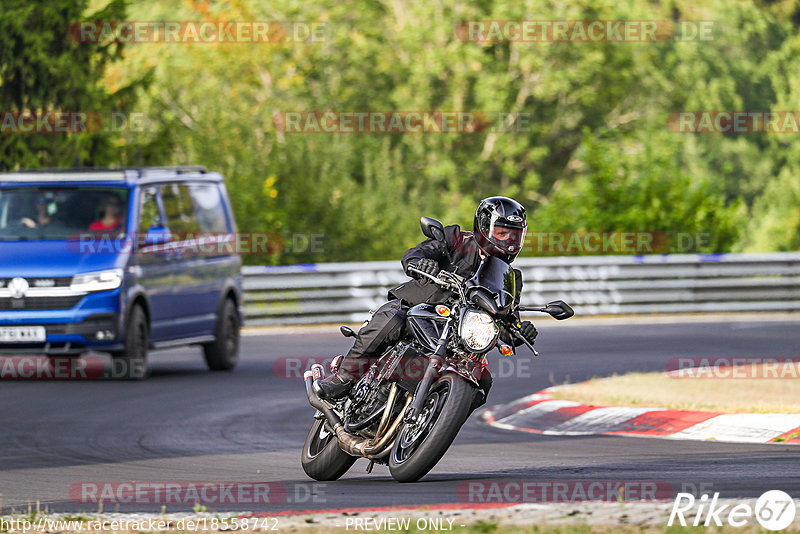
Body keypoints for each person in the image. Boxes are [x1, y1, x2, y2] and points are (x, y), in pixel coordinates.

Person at [314, 196, 539, 401]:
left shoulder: (510, 278)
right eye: (502, 232)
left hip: (458, 335)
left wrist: (520, 331)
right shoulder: (457, 239)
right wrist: (421, 262)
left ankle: (434, 419)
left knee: (483, 381)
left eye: (515, 234)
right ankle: (344, 377)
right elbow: (416, 254)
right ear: (484, 227)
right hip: (421, 310)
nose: (509, 240)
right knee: (392, 318)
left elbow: (507, 320)